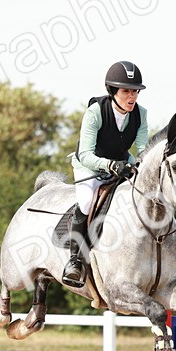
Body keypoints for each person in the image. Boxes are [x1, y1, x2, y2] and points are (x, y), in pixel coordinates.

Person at [62, 60, 149, 287]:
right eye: (126, 91)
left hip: (120, 163)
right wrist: (111, 165)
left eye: (135, 91)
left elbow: (142, 150)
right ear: (112, 91)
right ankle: (74, 260)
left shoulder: (140, 114)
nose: (132, 97)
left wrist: (140, 164)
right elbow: (86, 154)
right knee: (85, 202)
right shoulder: (95, 112)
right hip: (89, 166)